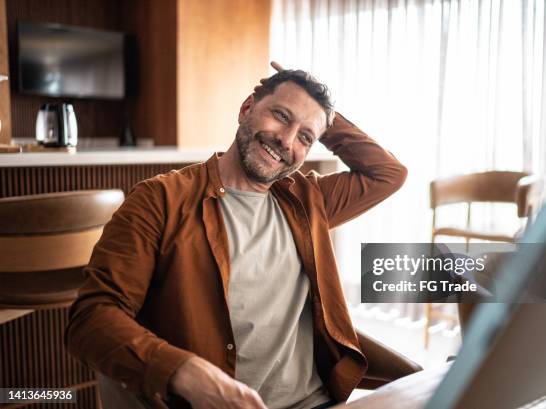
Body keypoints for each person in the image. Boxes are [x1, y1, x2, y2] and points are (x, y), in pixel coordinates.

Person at [65, 63, 418, 409]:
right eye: (281, 115)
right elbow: (92, 318)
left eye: (305, 137)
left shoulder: (309, 201)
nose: (286, 140)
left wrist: (322, 117)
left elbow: (388, 174)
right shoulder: (161, 199)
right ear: (247, 107)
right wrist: (184, 372)